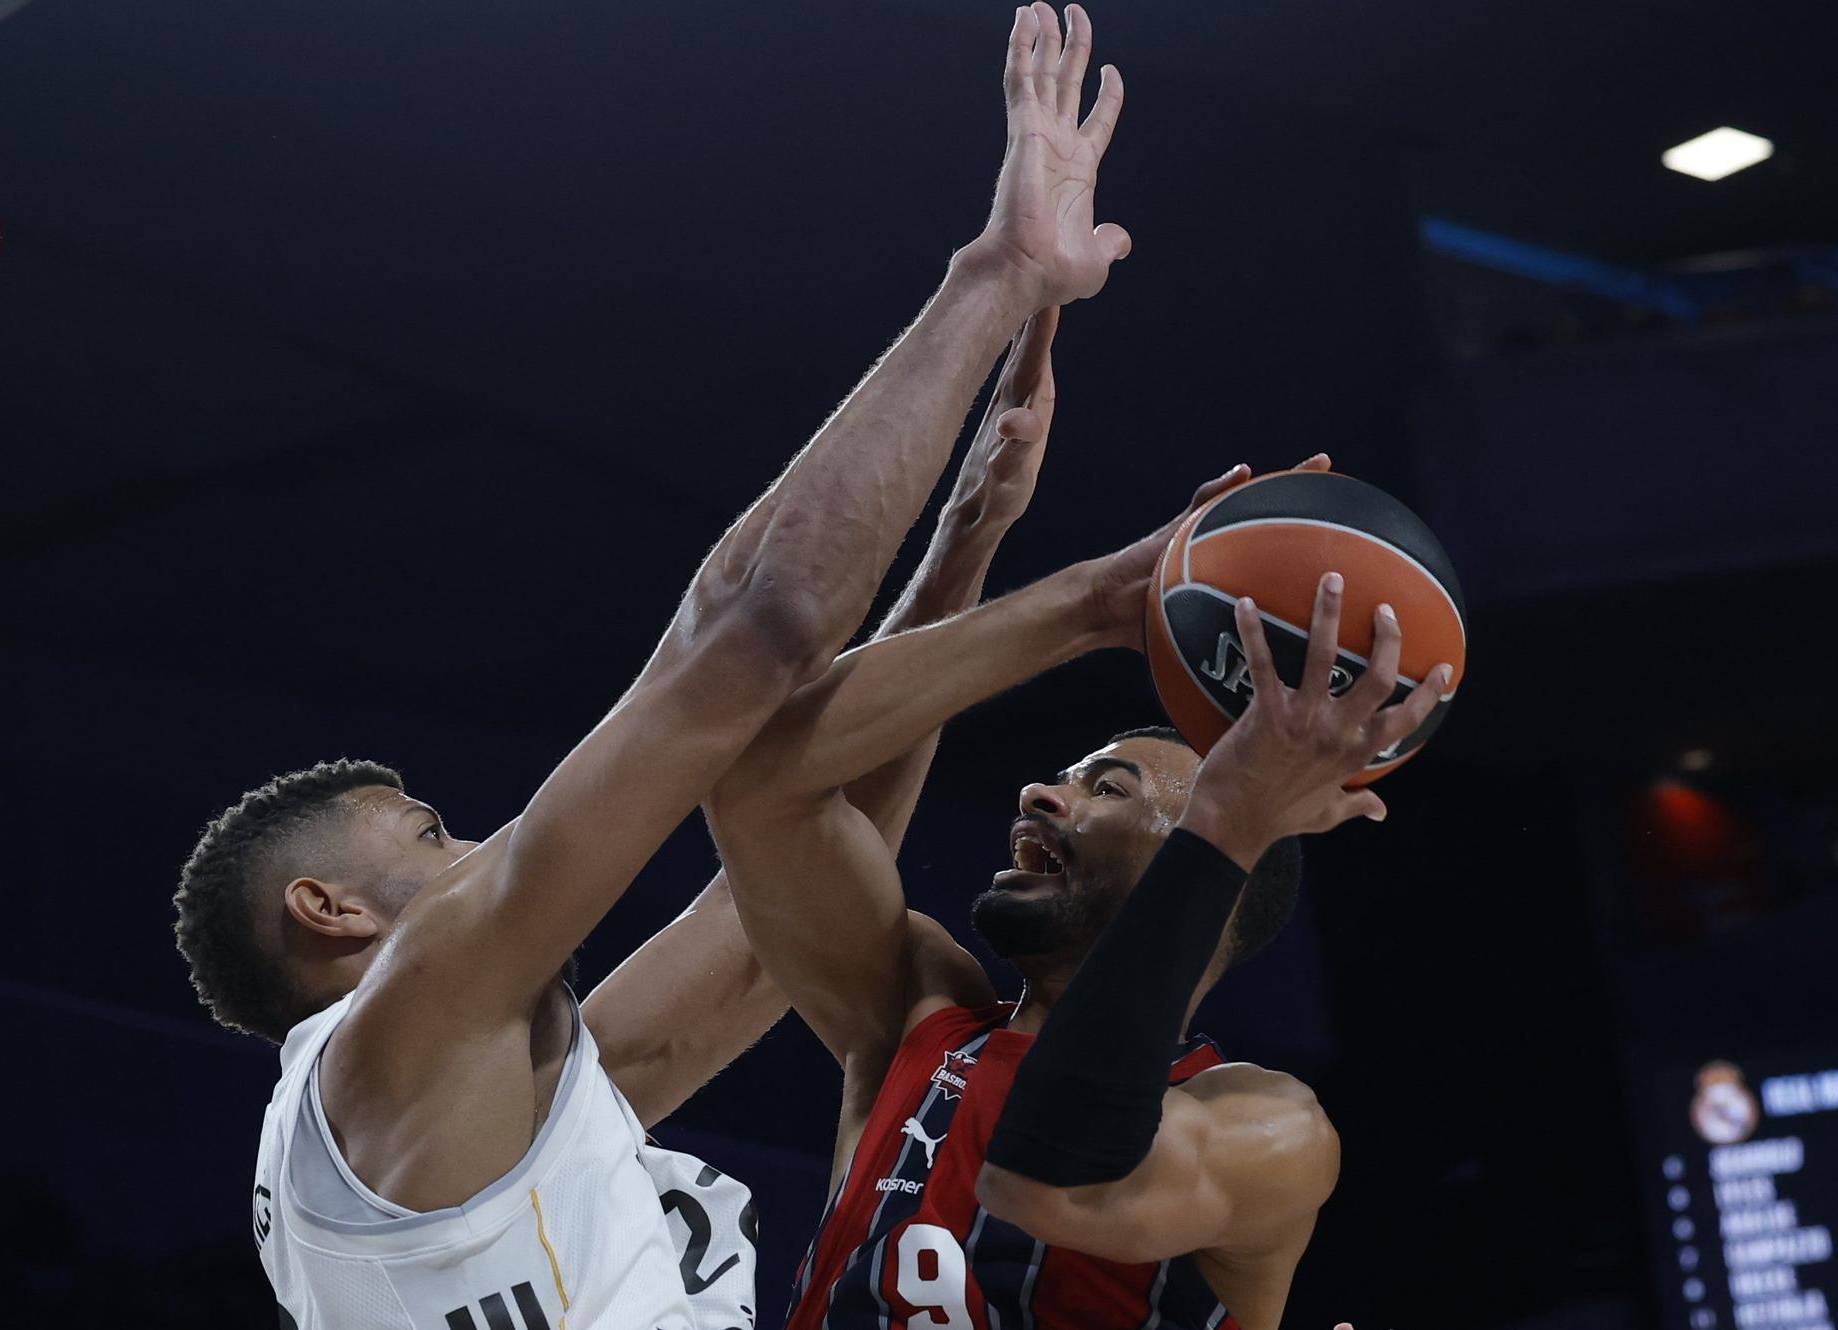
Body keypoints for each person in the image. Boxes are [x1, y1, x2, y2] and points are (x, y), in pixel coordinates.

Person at [168, 5, 1134, 1327]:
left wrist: (964, 541)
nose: (478, 848)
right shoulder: (401, 1021)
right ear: (335, 910)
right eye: (430, 829)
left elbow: (769, 913)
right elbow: (748, 630)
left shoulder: (435, 1112)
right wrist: (997, 277)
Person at [705, 453, 1453, 1324]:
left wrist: (1232, 819)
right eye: (1067, 775)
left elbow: (1054, 1179)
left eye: (1110, 788)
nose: (1040, 792)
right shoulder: (916, 1009)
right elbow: (761, 779)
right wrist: (1084, 606)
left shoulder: (1265, 1130)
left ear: (1208, 875)